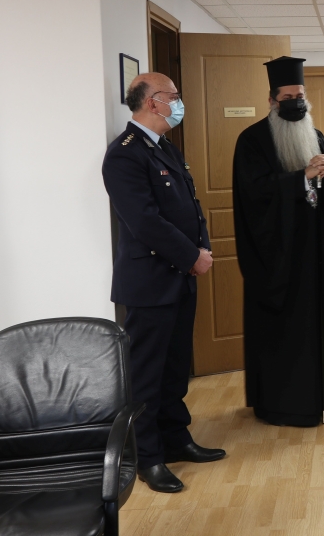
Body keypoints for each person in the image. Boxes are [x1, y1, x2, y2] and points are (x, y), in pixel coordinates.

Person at [102, 72, 226, 494]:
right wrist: (192, 256)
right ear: (153, 101)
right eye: (174, 95)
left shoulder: (165, 148)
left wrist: (201, 248)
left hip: (181, 276)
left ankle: (176, 438)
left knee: (175, 368)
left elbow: (191, 206)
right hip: (150, 282)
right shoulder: (124, 154)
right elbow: (144, 221)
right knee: (147, 375)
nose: (179, 102)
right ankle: (148, 457)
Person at [232, 56, 324, 427]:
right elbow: (253, 195)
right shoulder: (252, 140)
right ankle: (283, 404)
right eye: (287, 97)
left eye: (300, 96)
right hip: (278, 258)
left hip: (317, 254)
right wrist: (301, 177)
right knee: (284, 333)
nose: (295, 103)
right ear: (272, 101)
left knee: (322, 325)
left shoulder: (317, 136)